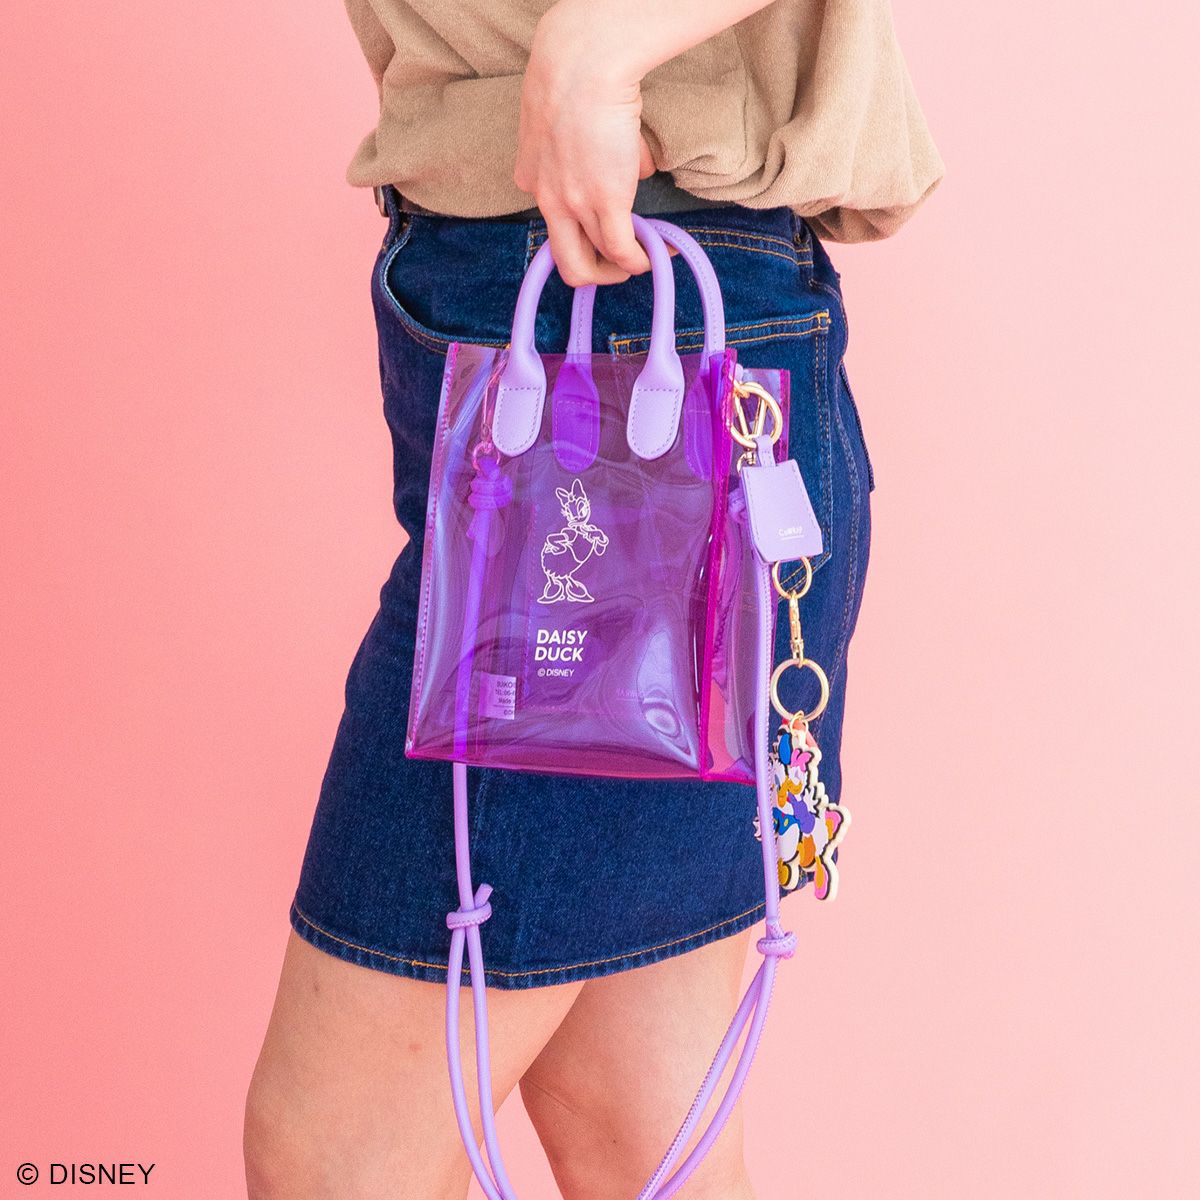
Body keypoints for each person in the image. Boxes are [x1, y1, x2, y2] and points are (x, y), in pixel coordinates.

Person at [244, 1, 942, 1197]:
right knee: (639, 1142)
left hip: (622, 303)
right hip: (553, 297)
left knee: (338, 1159)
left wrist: (597, 50)